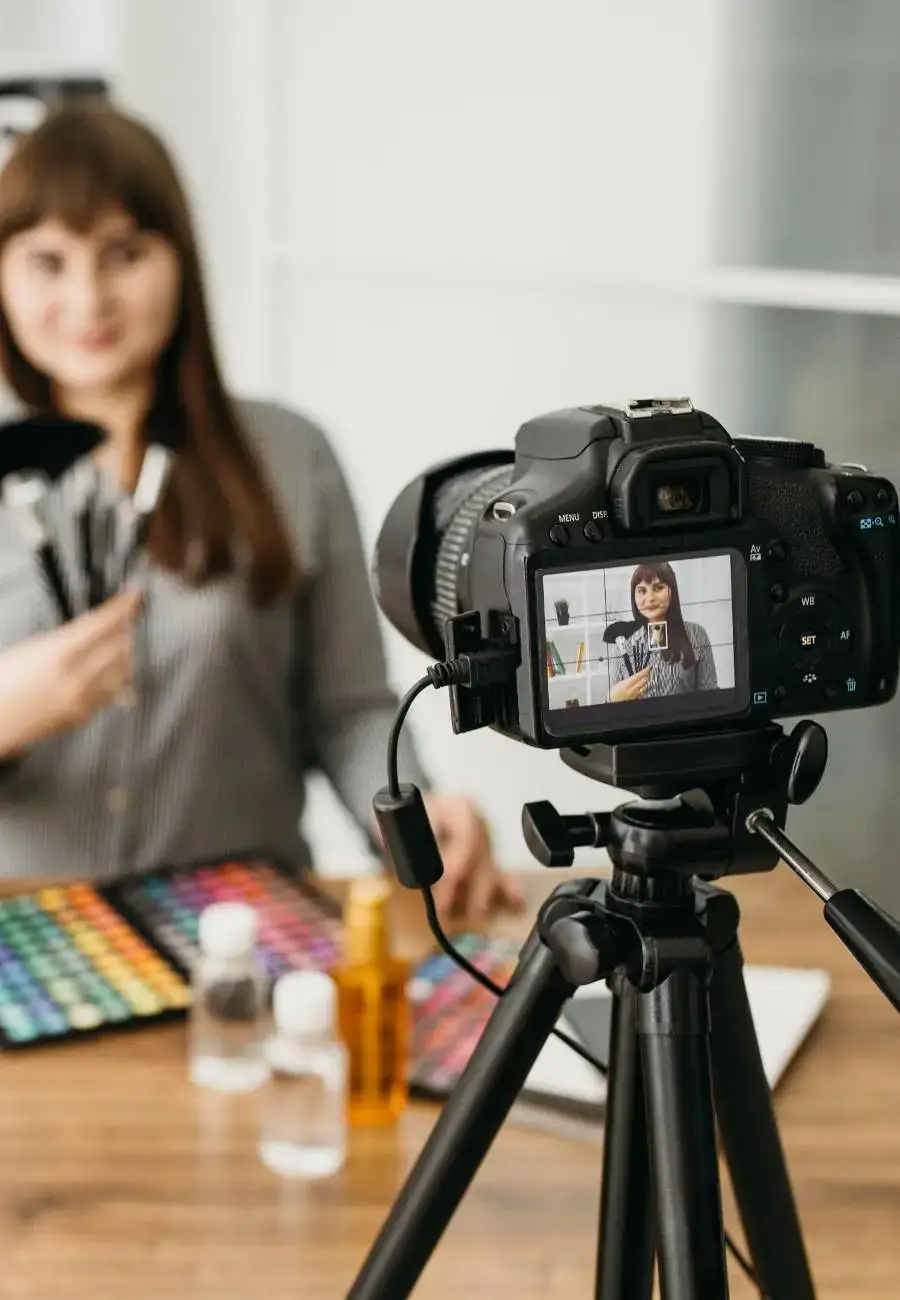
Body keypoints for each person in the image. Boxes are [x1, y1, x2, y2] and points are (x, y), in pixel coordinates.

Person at [0, 103, 523, 923]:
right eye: (47, 261)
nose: (88, 296)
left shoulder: (291, 456)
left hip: (246, 939)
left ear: (181, 260)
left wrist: (416, 820)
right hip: (31, 951)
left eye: (124, 253)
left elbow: (349, 712)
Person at [607, 562, 718, 702]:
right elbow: (615, 703)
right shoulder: (624, 644)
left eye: (658, 588)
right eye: (642, 590)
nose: (650, 598)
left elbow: (711, 696)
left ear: (672, 591)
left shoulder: (697, 634)